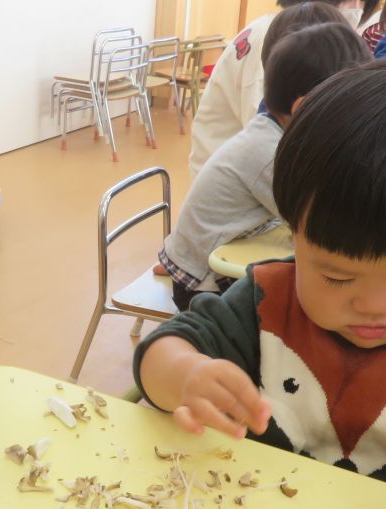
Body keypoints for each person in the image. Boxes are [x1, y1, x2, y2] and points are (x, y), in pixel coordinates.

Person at [135, 59, 386, 508]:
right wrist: (187, 376)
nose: (375, 305)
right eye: (336, 276)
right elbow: (164, 349)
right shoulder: (268, 302)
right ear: (292, 231)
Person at [159, 17, 371, 311]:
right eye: (347, 107)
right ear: (305, 106)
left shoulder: (278, 132)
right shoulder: (268, 152)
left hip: (223, 256)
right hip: (203, 286)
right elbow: (317, 223)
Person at [188, 0, 374, 179]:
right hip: (233, 178)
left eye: (363, 1)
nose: (357, 9)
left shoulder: (295, 32)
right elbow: (269, 148)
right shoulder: (283, 44)